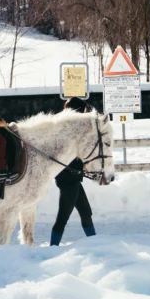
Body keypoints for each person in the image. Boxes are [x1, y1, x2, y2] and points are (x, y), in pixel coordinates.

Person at [50, 96, 97, 246]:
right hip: (67, 180)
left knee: (86, 213)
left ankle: (95, 242)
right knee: (63, 218)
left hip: (73, 178)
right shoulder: (66, 129)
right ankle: (52, 248)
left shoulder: (68, 126)